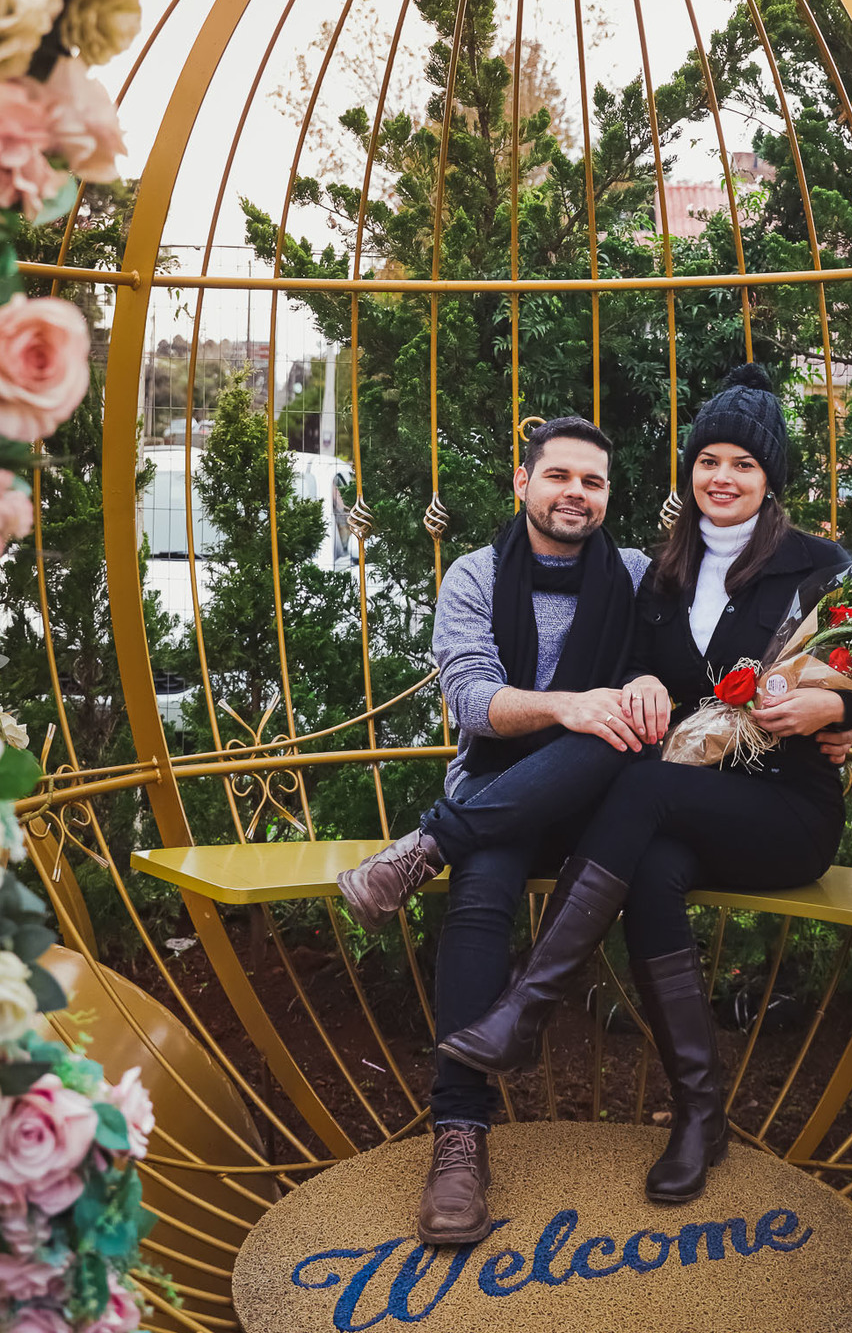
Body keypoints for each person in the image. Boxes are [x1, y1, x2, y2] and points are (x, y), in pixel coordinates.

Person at [439, 365, 852, 1207]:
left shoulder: (818, 565)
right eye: (709, 460)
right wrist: (636, 681)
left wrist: (834, 704)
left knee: (642, 791)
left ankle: (529, 1002)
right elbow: (643, 669)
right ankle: (701, 1115)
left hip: (784, 810)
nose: (722, 477)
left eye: (744, 464)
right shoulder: (663, 574)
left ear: (770, 478)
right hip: (692, 803)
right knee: (653, 866)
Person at [337, 416, 656, 1247]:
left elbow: (696, 667)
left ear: (607, 496)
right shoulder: (475, 575)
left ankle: (426, 845)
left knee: (609, 741)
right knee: (482, 891)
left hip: (599, 807)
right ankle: (460, 1138)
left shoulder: (638, 576)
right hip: (500, 790)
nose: (575, 494)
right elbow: (470, 699)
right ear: (523, 485)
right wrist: (567, 705)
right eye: (558, 477)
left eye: (592, 482)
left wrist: (649, 679)